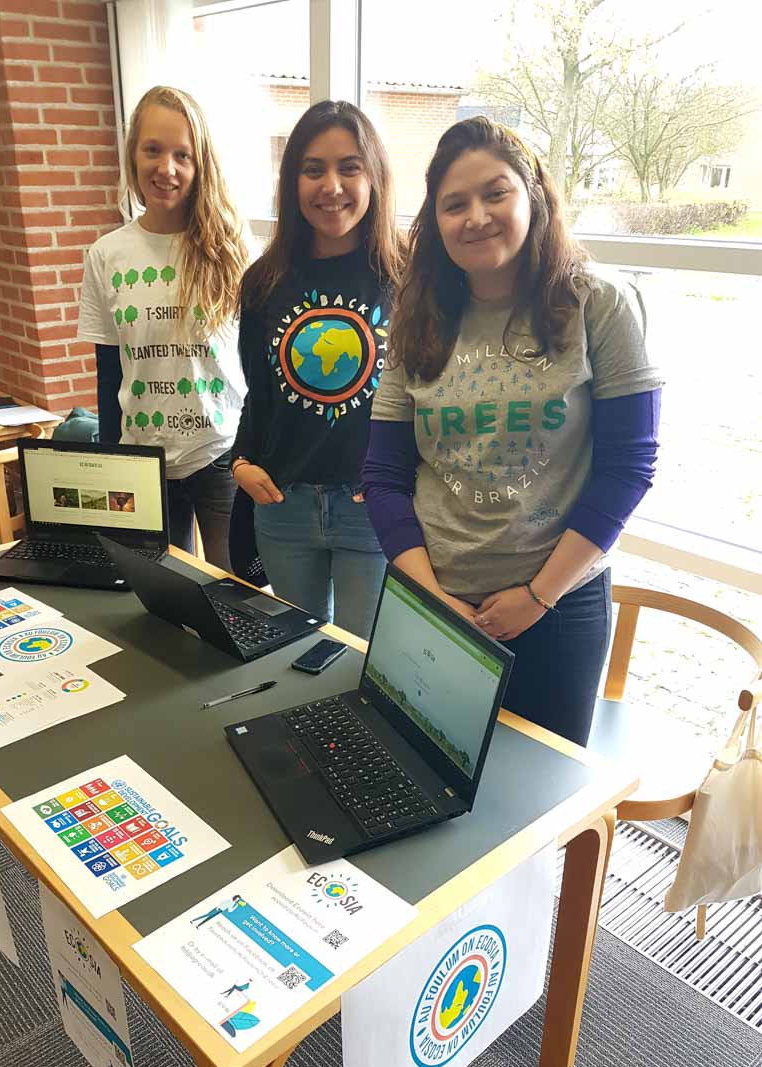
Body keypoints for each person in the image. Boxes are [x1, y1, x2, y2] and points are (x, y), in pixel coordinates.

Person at [362, 117, 662, 745]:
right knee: (418, 773)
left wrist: (538, 596)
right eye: (455, 204)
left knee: (540, 790)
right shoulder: (417, 316)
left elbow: (628, 469)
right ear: (435, 221)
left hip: (556, 608)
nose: (476, 217)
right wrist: (433, 598)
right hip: (434, 599)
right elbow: (384, 477)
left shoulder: (599, 301)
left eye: (495, 193)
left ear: (534, 197)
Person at [230, 100, 405, 639]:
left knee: (362, 660)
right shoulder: (263, 282)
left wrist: (401, 484)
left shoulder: (407, 277)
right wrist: (240, 462)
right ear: (292, 182)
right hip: (283, 504)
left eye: (349, 167)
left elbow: (429, 399)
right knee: (294, 654)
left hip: (371, 509)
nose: (332, 186)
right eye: (313, 169)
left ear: (374, 177)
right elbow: (259, 395)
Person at [77, 85, 250, 570]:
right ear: (133, 154)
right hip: (143, 461)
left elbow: (258, 361)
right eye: (152, 150)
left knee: (236, 591)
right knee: (166, 591)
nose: (166, 168)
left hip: (221, 451)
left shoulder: (232, 249)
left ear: (200, 165)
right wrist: (112, 464)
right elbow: (109, 373)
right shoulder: (106, 255)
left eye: (182, 155)